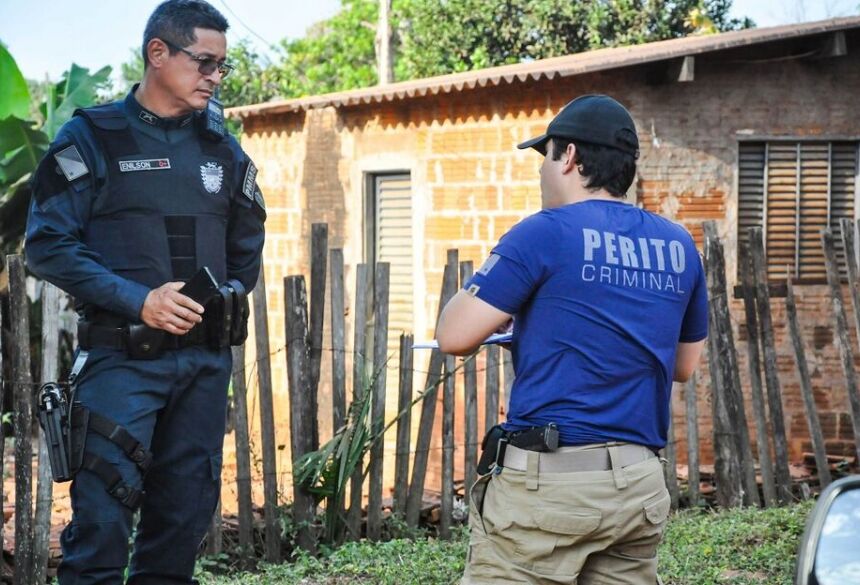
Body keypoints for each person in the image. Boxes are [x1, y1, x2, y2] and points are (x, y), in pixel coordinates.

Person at [25, 1, 265, 583]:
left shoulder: (222, 147)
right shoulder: (92, 137)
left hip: (204, 365)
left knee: (180, 527)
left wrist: (222, 297)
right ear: (158, 53)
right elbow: (47, 244)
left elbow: (247, 243)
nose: (215, 76)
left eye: (221, 67)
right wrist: (140, 300)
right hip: (121, 362)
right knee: (101, 530)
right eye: (204, 62)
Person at [437, 94, 707, 585]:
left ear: (570, 157)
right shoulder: (678, 244)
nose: (541, 170)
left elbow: (454, 335)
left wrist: (501, 312)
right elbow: (684, 365)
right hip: (639, 487)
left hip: (551, 489)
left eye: (546, 156)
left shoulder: (542, 233)